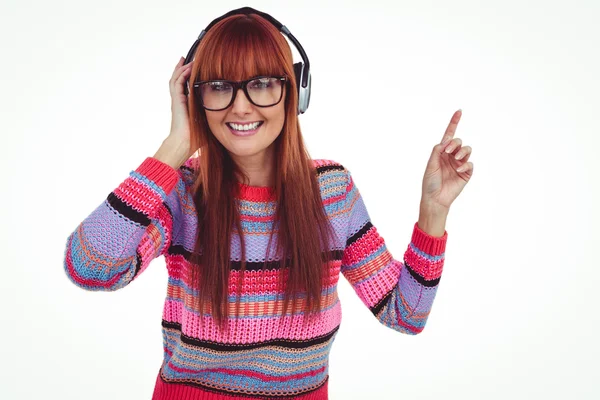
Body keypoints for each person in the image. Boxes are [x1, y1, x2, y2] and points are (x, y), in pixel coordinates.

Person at [63, 7, 474, 400]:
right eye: (220, 87)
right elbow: (89, 269)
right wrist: (174, 148)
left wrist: (433, 212)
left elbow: (404, 314)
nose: (241, 106)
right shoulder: (183, 191)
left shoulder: (331, 191)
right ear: (194, 98)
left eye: (261, 83)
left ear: (294, 91)